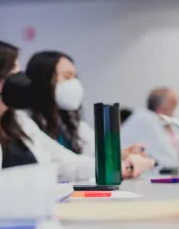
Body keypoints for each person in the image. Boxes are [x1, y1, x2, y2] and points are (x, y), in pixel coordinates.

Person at [0, 41, 150, 181]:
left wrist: (116, 166)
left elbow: (66, 163)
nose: (21, 80)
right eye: (12, 72)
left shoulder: (19, 123)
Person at [25, 51, 154, 174]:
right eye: (66, 76)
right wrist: (112, 164)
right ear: (44, 80)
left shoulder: (74, 124)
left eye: (75, 77)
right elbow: (63, 165)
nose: (74, 84)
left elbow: (95, 155)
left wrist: (119, 156)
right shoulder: (26, 121)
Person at [121, 87, 179, 168]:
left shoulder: (159, 123)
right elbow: (170, 160)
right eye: (175, 104)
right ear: (161, 108)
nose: (178, 108)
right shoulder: (146, 121)